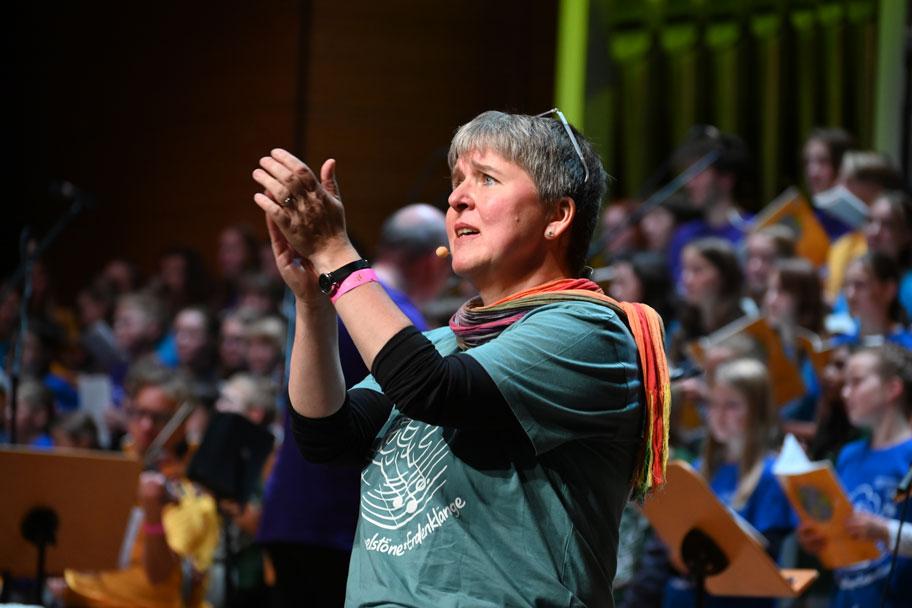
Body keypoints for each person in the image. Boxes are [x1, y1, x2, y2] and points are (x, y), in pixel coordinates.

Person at [252, 109, 670, 606]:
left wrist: (336, 255)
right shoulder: (440, 345)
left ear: (557, 216)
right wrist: (314, 300)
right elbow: (327, 437)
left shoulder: (586, 332)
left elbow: (434, 391)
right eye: (456, 182)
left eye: (486, 179)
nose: (456, 198)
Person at [256, 204, 445, 608]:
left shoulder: (338, 296)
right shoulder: (395, 320)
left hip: (292, 511)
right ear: (433, 263)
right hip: (335, 521)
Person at [61, 363, 219, 607]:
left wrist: (153, 515)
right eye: (138, 413)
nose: (146, 426)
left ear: (182, 423)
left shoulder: (192, 497)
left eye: (159, 418)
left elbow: (158, 576)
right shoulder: (107, 469)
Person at [662, 358, 795, 607]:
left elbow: (764, 559)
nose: (718, 415)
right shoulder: (701, 470)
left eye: (732, 405)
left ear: (758, 411)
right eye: (713, 404)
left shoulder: (771, 475)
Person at [797, 344, 912, 607]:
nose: (845, 393)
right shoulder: (849, 454)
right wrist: (818, 536)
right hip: (847, 596)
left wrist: (883, 530)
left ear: (893, 388)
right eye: (845, 383)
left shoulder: (909, 454)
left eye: (857, 382)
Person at [667, 127, 755, 285]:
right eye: (688, 173)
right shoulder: (684, 236)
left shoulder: (753, 232)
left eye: (698, 173)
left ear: (726, 179)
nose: (689, 183)